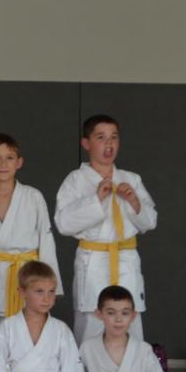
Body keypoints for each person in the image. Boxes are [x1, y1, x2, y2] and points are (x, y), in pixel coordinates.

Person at [55, 115, 158, 343]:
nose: (108, 144)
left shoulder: (131, 179)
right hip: (93, 261)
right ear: (86, 143)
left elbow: (150, 221)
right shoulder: (76, 180)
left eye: (114, 137)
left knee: (130, 322)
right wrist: (95, 200)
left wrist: (134, 202)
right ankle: (87, 368)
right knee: (91, 322)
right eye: (101, 137)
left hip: (126, 259)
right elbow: (63, 223)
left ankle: (130, 367)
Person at [0, 134, 62, 351]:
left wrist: (48, 288)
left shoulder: (33, 197)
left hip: (30, 277)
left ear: (19, 162)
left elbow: (46, 242)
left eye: (9, 158)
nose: (3, 164)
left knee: (33, 340)